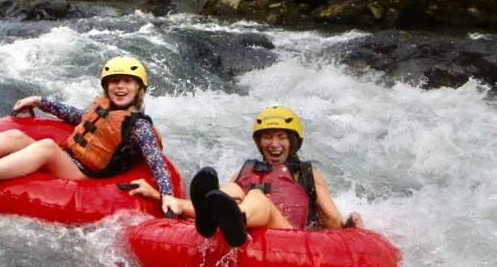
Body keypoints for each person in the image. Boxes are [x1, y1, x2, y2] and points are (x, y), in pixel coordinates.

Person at [0, 56, 177, 212]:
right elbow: (77, 117)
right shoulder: (103, 108)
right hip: (71, 158)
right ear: (106, 87)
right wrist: (42, 102)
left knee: (46, 146)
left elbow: (155, 160)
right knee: (15, 137)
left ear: (139, 89)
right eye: (114, 82)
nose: (120, 87)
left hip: (87, 176)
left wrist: (167, 195)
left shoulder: (139, 127)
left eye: (127, 82)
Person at [128, 106, 363, 247]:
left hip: (289, 237)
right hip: (244, 228)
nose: (274, 144)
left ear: (293, 142)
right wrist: (161, 197)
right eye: (267, 137)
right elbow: (218, 202)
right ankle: (221, 219)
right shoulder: (248, 170)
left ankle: (235, 219)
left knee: (257, 198)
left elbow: (332, 222)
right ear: (259, 142)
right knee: (231, 192)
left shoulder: (307, 173)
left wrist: (351, 225)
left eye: (281, 137)